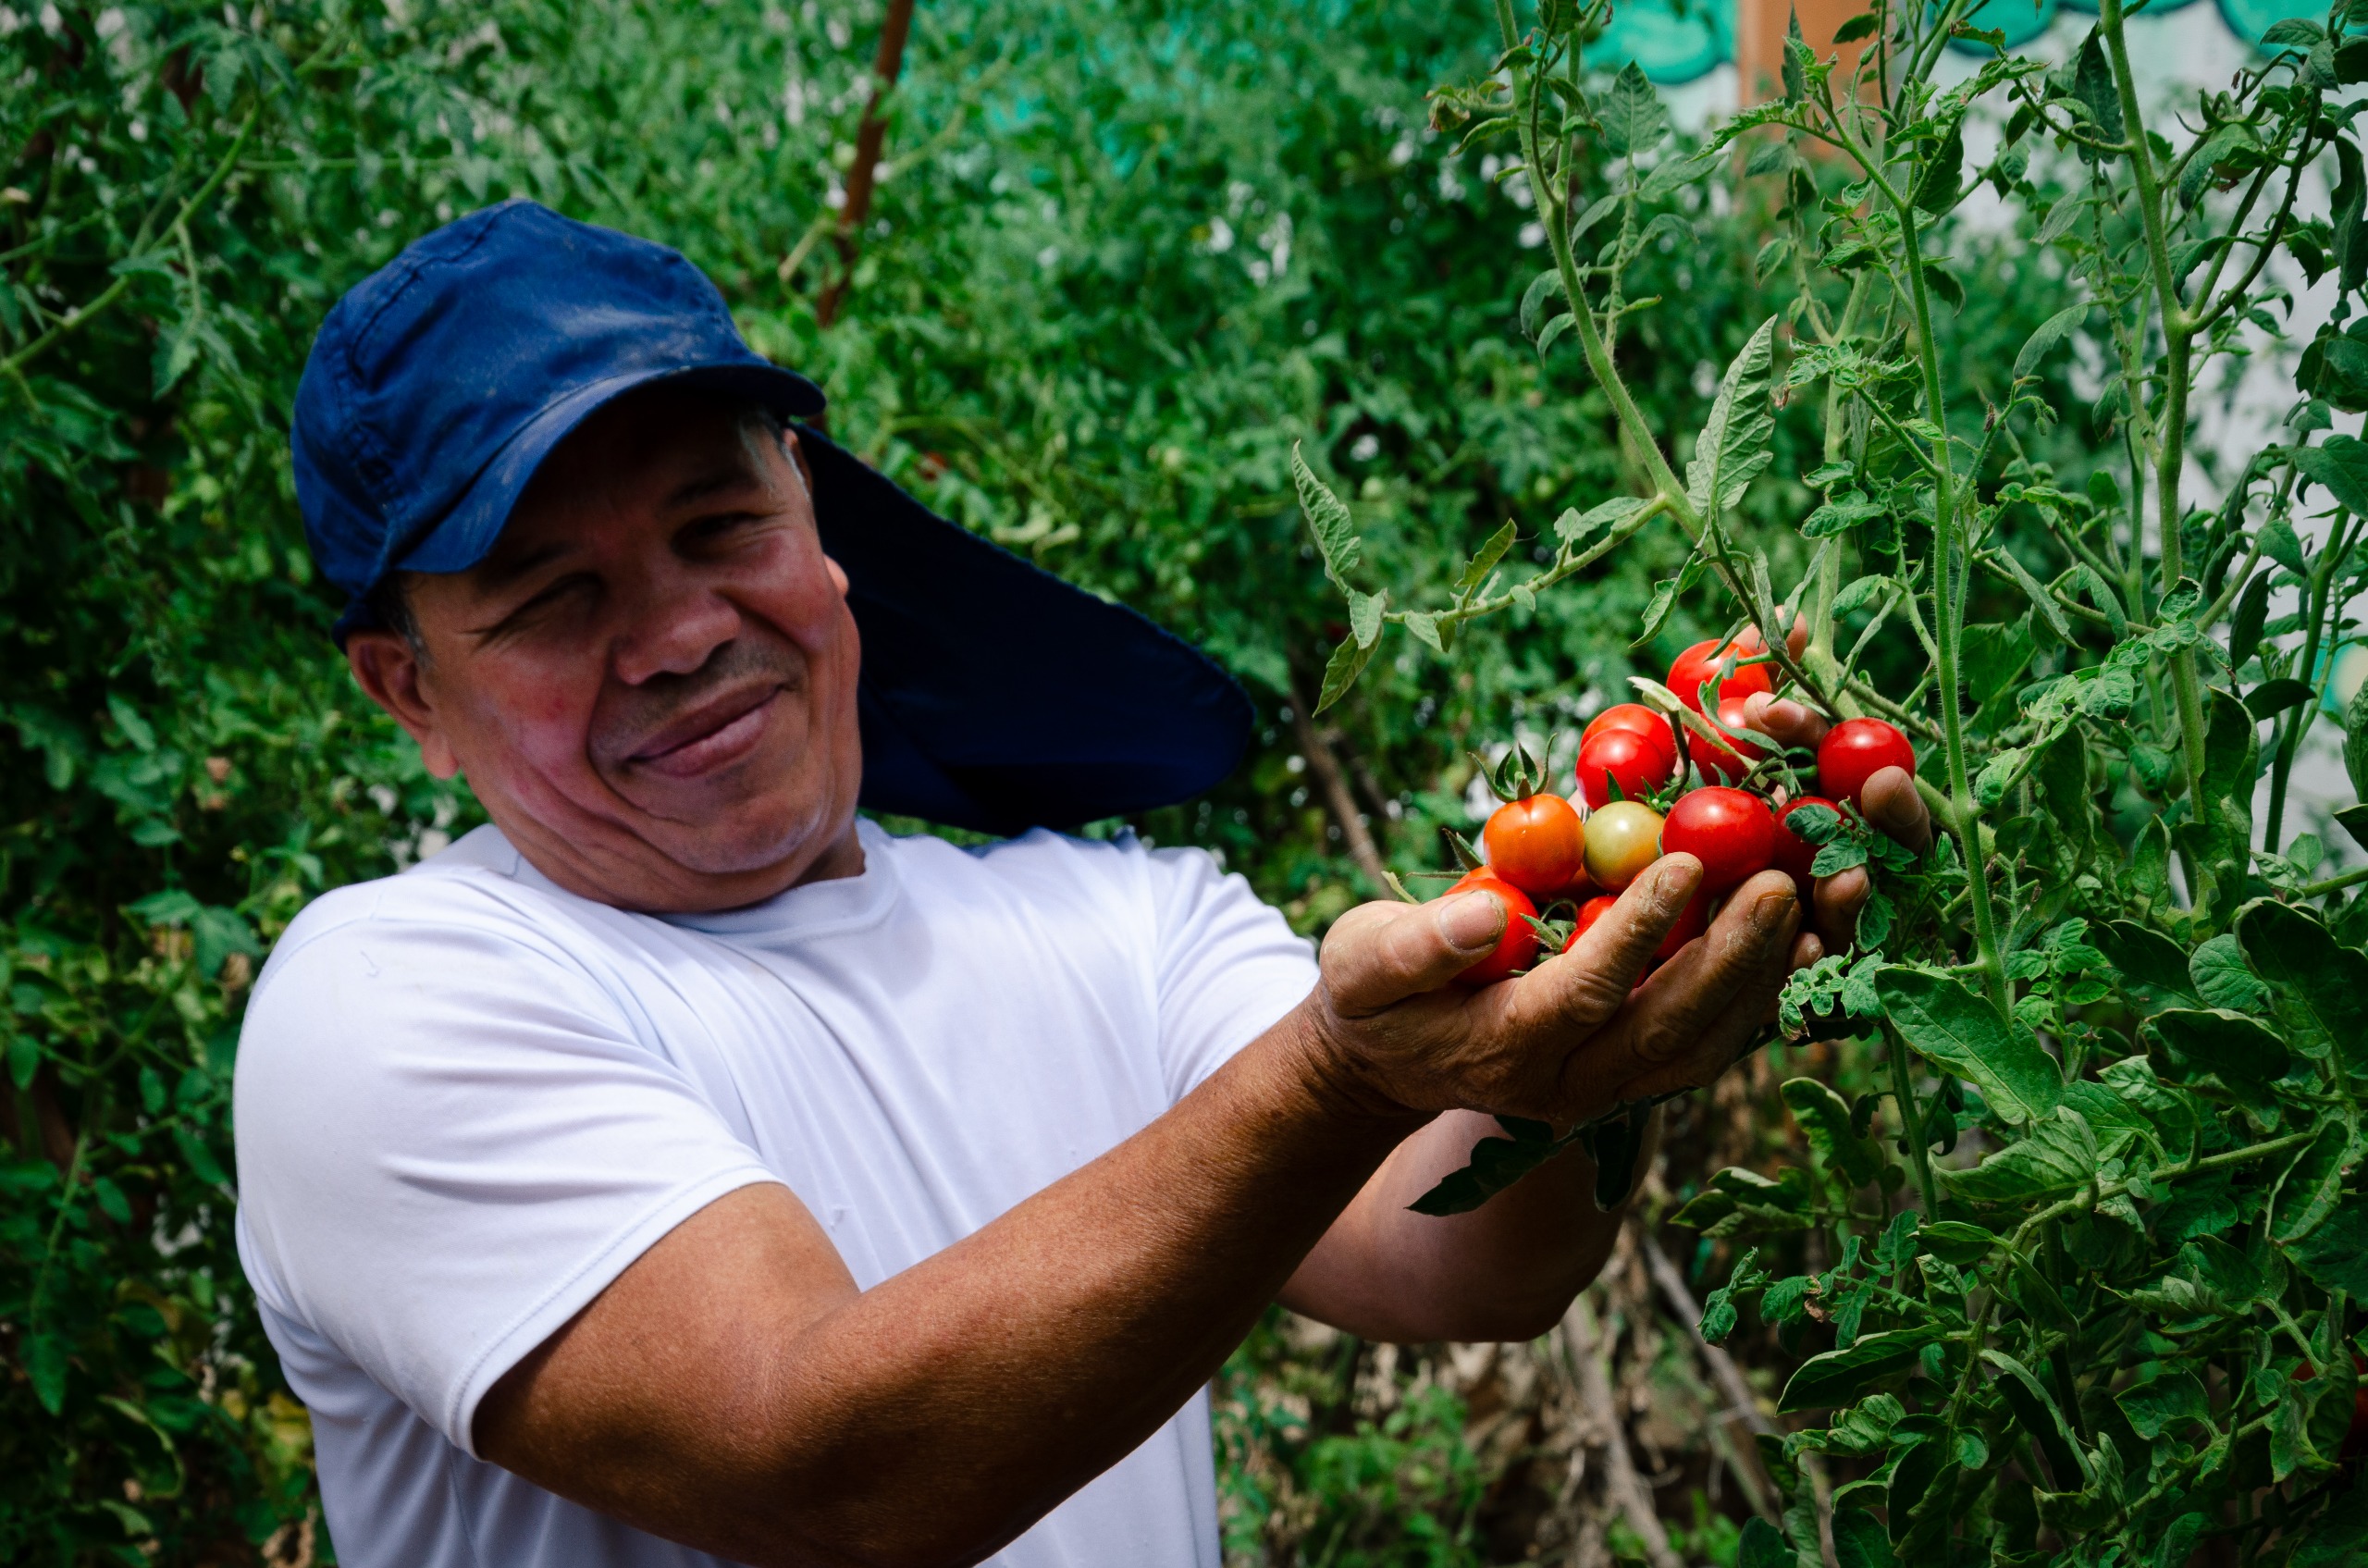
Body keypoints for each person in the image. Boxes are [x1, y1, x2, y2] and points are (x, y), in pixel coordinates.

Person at [232, 201, 1930, 1568]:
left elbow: (1469, 1262)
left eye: (718, 527)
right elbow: (830, 1478)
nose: (678, 635)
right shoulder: (389, 999)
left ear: (813, 520)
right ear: (409, 692)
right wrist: (1338, 1076)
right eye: (551, 600)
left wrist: (1615, 985)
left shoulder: (1121, 921)